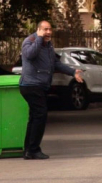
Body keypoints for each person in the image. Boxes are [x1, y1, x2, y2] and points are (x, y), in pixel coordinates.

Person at [20, 21, 83, 160]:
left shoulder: (48, 45)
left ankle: (29, 150)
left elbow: (55, 63)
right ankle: (33, 150)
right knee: (40, 115)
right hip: (31, 85)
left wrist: (72, 72)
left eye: (50, 29)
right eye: (45, 29)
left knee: (35, 117)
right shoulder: (30, 41)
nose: (48, 32)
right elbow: (30, 55)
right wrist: (39, 38)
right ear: (38, 30)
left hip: (39, 86)